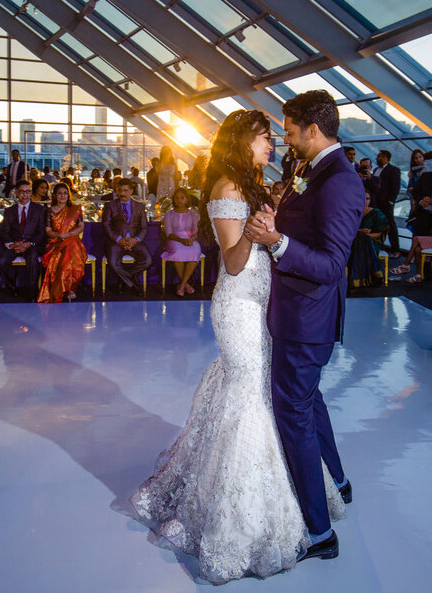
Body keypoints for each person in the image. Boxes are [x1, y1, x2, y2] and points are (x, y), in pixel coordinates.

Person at [133, 108, 347, 584]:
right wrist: (257, 232)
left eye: (273, 136)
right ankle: (240, 517)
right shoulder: (227, 189)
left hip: (261, 302)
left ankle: (288, 497)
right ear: (240, 142)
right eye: (264, 137)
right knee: (250, 395)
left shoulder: (247, 185)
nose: (272, 144)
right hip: (240, 307)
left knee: (264, 397)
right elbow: (231, 262)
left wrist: (267, 223)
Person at [246, 90, 360, 564]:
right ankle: (338, 482)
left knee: (292, 413)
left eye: (290, 131)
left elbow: (332, 264)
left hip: (306, 320)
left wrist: (275, 241)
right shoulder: (313, 172)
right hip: (298, 313)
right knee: (309, 401)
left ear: (314, 129)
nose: (286, 140)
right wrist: (281, 217)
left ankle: (319, 533)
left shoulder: (340, 182)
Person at [38, 182, 86, 302]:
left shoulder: (75, 209)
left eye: (65, 193)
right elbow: (48, 230)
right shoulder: (50, 211)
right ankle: (66, 289)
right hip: (55, 241)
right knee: (66, 252)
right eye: (59, 193)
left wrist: (68, 235)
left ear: (68, 195)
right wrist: (59, 235)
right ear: (55, 195)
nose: (62, 196)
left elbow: (81, 227)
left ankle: (69, 288)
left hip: (72, 240)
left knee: (71, 247)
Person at [101, 178, 150, 294]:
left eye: (125, 190)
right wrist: (119, 239)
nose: (122, 193)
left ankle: (124, 280)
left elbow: (144, 228)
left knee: (148, 260)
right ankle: (132, 285)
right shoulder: (110, 205)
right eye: (120, 190)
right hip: (116, 242)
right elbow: (106, 226)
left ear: (131, 191)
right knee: (113, 262)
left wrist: (135, 240)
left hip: (134, 242)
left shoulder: (139, 206)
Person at [0, 180, 46, 298]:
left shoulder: (39, 209)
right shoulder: (9, 211)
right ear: (16, 193)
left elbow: (41, 232)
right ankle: (11, 287)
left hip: (31, 245)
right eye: (22, 192)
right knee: (1, 261)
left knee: (33, 258)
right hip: (14, 244)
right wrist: (12, 244)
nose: (25, 195)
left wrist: (29, 243)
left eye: (28, 192)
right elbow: (4, 231)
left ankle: (33, 291)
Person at [160, 187, 201, 296]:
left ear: (187, 200)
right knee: (178, 252)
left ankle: (182, 285)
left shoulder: (193, 214)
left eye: (182, 198)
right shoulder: (169, 214)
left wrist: (191, 239)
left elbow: (195, 231)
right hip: (174, 240)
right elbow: (169, 233)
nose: (179, 200)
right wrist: (181, 240)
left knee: (194, 250)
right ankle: (185, 285)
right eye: (177, 198)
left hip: (189, 240)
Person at [347, 189, 388, 289]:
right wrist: (360, 231)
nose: (365, 201)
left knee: (361, 242)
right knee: (358, 242)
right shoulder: (352, 212)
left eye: (368, 198)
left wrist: (365, 236)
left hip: (372, 242)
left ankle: (356, 282)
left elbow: (379, 234)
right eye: (362, 198)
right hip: (352, 241)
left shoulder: (376, 213)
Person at [372, 149, 401, 255]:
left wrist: (391, 202)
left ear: (385, 157)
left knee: (391, 225)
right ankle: (379, 246)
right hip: (376, 202)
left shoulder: (393, 170)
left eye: (379, 156)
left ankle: (396, 249)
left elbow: (395, 187)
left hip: (386, 203)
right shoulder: (376, 170)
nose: (376, 158)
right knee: (378, 224)